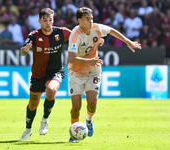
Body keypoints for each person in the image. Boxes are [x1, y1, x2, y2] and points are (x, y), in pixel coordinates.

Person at [68, 7, 141, 143]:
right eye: (87, 19)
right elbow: (71, 58)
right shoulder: (75, 35)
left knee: (92, 103)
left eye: (91, 18)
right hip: (76, 72)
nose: (90, 21)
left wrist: (128, 42)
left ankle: (88, 120)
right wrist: (89, 60)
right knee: (76, 107)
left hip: (93, 71)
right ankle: (74, 132)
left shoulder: (97, 28)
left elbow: (112, 30)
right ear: (79, 21)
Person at [19, 8, 71, 141]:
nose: (48, 23)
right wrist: (25, 50)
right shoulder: (34, 35)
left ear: (53, 20)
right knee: (33, 104)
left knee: (51, 89)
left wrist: (95, 40)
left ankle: (45, 119)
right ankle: (28, 129)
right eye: (45, 20)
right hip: (38, 74)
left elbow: (80, 35)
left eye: (50, 20)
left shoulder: (61, 32)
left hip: (55, 71)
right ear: (39, 21)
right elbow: (22, 51)